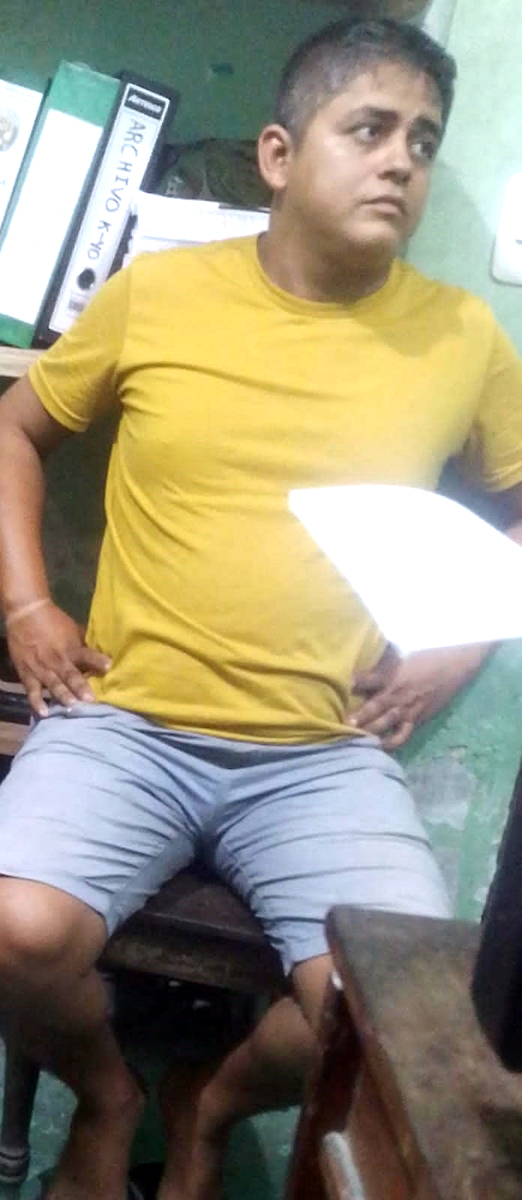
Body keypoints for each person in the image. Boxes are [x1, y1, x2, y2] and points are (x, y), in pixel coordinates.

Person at [1, 16, 522, 1200]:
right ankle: (109, 1098)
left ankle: (211, 1099)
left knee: (382, 1010)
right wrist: (28, 603)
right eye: (370, 129)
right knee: (15, 932)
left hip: (319, 756)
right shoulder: (160, 295)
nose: (401, 162)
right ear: (281, 155)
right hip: (125, 721)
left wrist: (459, 639)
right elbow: (16, 429)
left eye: (425, 141)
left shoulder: (460, 336)